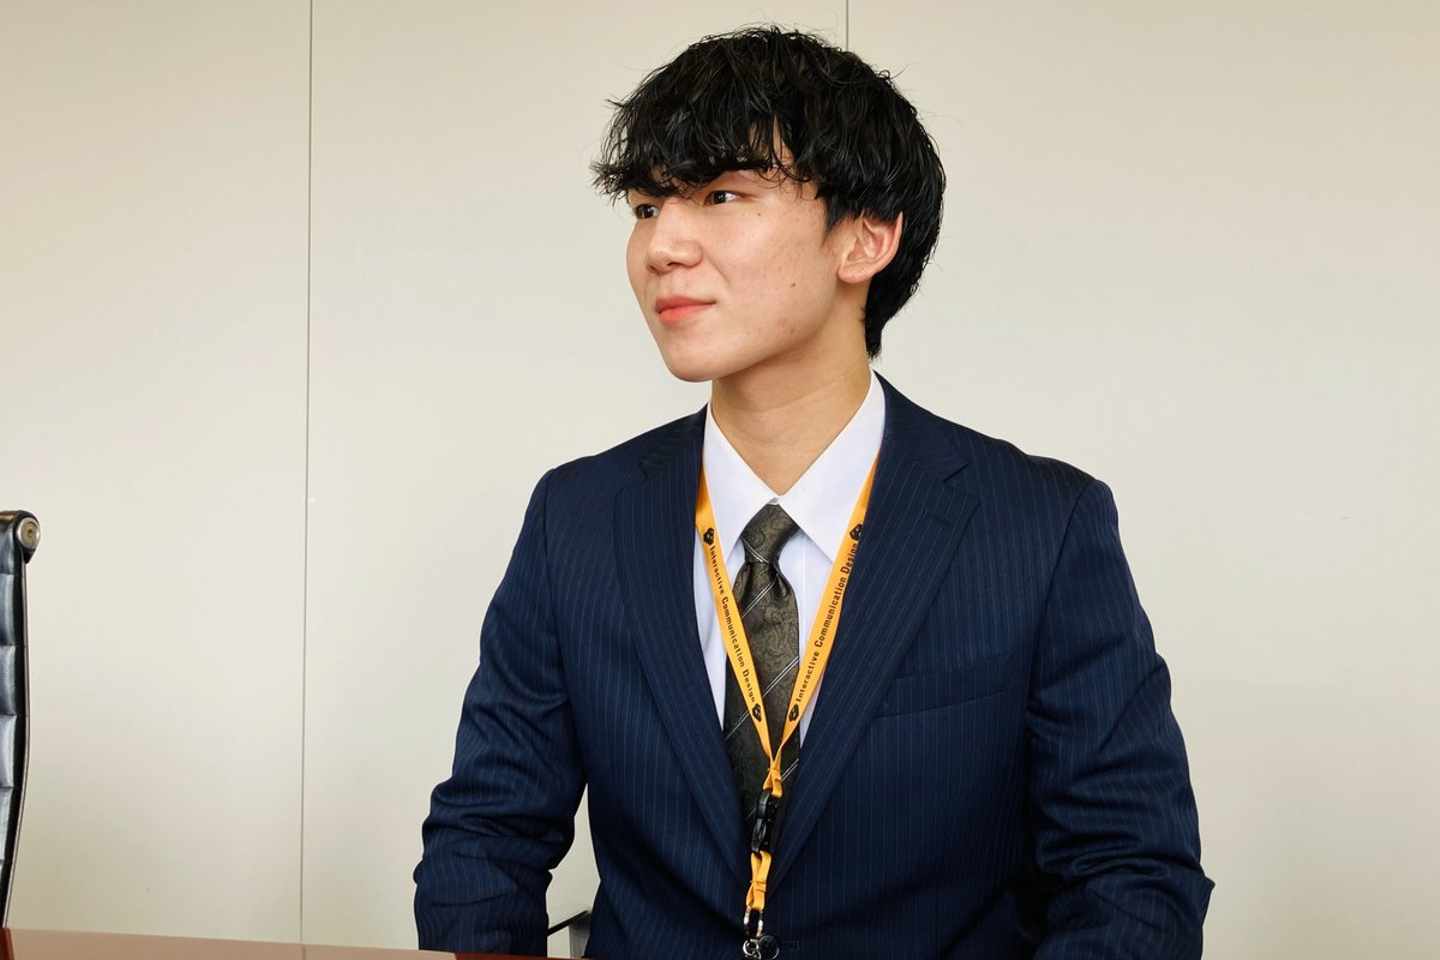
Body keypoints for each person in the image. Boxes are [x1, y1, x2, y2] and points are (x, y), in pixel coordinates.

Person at [414, 26, 1212, 959]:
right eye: (645, 207)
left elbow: (1130, 877)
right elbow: (485, 839)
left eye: (720, 195)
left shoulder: (1039, 527)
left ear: (865, 236)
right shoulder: (579, 517)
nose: (662, 244)